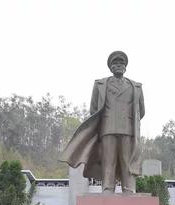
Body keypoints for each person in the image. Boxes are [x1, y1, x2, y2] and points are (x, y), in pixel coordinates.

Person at [61, 51, 145, 194]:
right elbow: (93, 109)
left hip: (128, 130)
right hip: (107, 128)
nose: (118, 66)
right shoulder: (100, 84)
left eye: (121, 64)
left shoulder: (135, 86)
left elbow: (141, 111)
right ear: (111, 68)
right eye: (115, 64)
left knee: (127, 160)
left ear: (125, 67)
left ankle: (129, 188)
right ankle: (107, 187)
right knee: (108, 160)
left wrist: (129, 121)